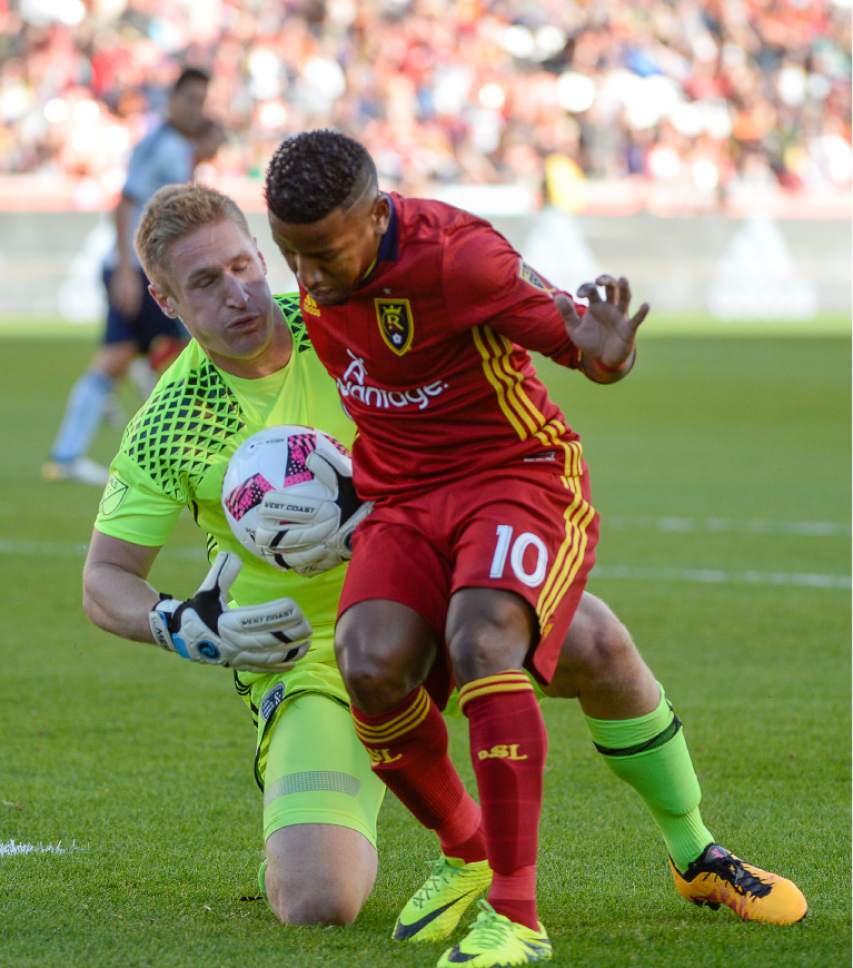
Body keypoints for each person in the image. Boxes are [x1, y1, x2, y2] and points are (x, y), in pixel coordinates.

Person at [261, 130, 807, 967]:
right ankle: (468, 851)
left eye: (324, 254)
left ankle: (520, 914)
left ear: (375, 215)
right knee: (368, 664)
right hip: (403, 498)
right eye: (290, 254)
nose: (308, 277)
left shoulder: (460, 258)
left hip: (512, 475)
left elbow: (578, 341)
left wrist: (608, 350)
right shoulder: (315, 269)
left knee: (482, 640)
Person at [82, 182, 384, 926]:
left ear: (264, 254)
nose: (237, 294)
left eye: (243, 266)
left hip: (442, 598)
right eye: (205, 283)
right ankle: (309, 819)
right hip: (312, 656)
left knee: (590, 639)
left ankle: (692, 846)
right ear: (165, 299)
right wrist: (181, 623)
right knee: (320, 902)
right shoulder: (170, 423)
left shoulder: (348, 328)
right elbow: (105, 580)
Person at [44, 67, 224, 486]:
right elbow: (124, 203)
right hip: (139, 271)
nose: (196, 109)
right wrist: (126, 270)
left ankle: (69, 454)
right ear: (174, 99)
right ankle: (183, 453)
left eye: (202, 102)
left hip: (146, 270)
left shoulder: (178, 149)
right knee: (177, 357)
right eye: (191, 100)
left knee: (122, 358)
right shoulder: (158, 144)